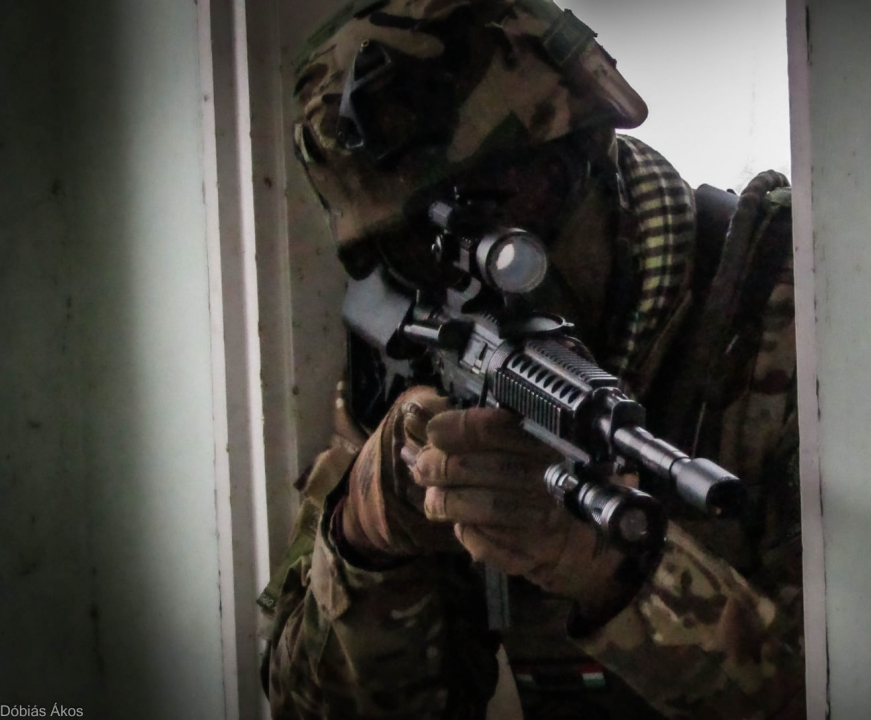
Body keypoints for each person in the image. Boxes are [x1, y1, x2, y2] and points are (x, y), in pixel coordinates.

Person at [258, 0, 805, 717]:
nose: (478, 261)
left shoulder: (798, 314)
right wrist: (368, 537)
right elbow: (306, 704)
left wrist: (620, 573)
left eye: (513, 200)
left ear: (590, 153)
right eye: (422, 242)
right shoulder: (414, 354)